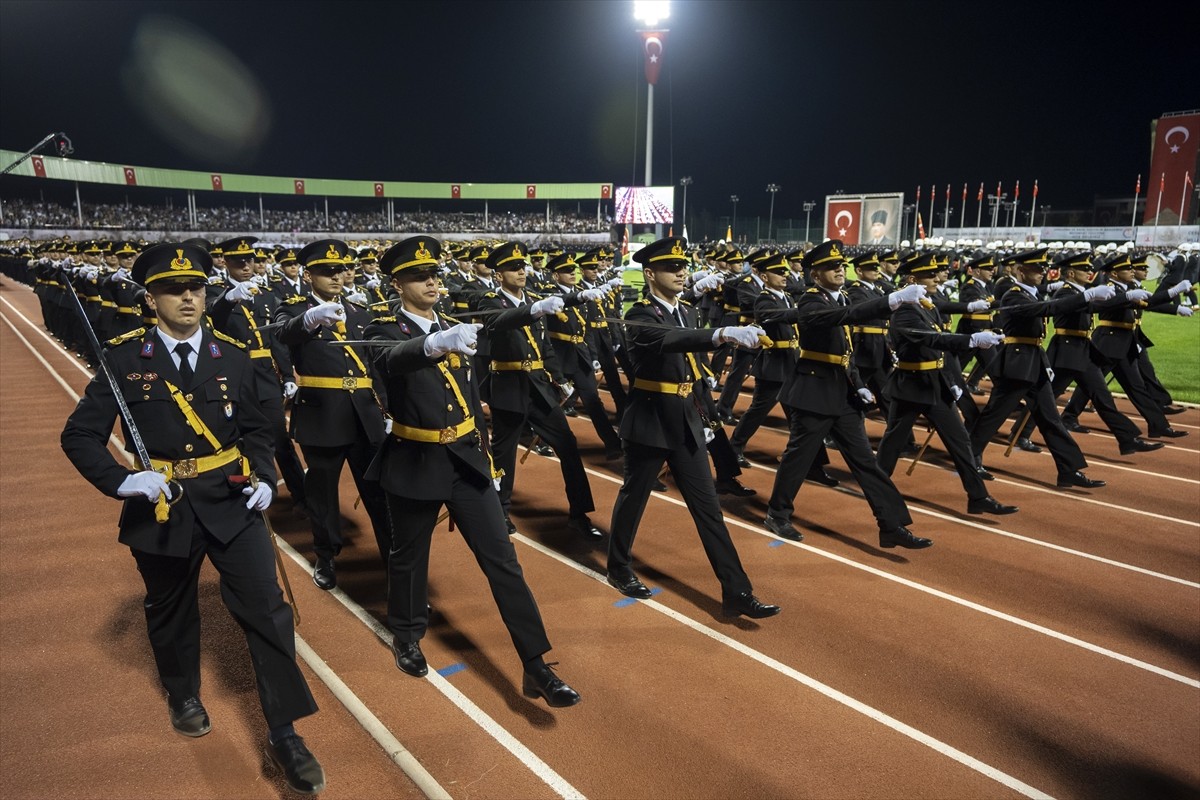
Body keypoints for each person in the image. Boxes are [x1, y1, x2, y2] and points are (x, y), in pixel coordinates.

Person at [60, 242, 324, 795]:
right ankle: (183, 691)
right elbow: (79, 434)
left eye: (197, 287)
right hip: (165, 502)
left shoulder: (232, 354)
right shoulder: (125, 357)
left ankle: (285, 730)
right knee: (171, 608)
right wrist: (122, 479)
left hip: (231, 498)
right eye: (173, 289)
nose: (187, 297)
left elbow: (260, 422)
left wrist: (261, 471)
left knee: (267, 609)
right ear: (151, 296)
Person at [363, 236, 581, 707]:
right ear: (397, 282)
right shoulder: (384, 326)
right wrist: (433, 343)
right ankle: (406, 633)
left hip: (464, 460)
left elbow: (497, 323)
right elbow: (388, 358)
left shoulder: (454, 323)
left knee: (503, 561)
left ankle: (536, 664)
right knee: (409, 557)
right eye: (421, 276)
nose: (432, 281)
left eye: (435, 273)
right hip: (415, 461)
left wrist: (531, 310)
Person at [606, 236, 781, 619]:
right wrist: (722, 334)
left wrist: (706, 417)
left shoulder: (685, 311)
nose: (681, 271)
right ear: (650, 273)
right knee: (634, 498)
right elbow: (670, 341)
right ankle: (618, 566)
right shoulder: (639, 314)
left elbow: (692, 366)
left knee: (709, 510)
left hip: (685, 421)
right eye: (671, 267)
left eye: (682, 266)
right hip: (650, 422)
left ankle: (737, 591)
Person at [762, 239, 933, 548]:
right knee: (798, 460)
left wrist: (860, 383)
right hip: (813, 393)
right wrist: (890, 301)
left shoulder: (839, 299)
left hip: (842, 392)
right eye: (831, 267)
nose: (839, 270)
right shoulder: (811, 301)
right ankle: (778, 513)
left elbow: (846, 353)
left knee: (866, 461)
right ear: (816, 275)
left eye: (841, 265)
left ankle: (891, 524)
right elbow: (841, 319)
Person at [273, 239, 392, 590]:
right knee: (322, 496)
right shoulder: (295, 308)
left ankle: (394, 563)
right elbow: (282, 332)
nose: (337, 276)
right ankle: (325, 555)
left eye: (341, 270)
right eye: (327, 271)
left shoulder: (358, 311)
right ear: (308, 275)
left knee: (380, 494)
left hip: (365, 416)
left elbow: (374, 366)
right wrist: (311, 318)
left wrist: (387, 409)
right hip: (322, 416)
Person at [873, 252, 1018, 515]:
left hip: (934, 384)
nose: (935, 279)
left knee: (959, 441)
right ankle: (876, 488)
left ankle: (978, 497)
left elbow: (939, 352)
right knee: (892, 444)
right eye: (929, 276)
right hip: (911, 386)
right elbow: (934, 341)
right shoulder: (905, 311)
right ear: (912, 279)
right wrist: (972, 340)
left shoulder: (927, 305)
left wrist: (950, 380)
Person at [477, 241, 603, 538]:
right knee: (504, 453)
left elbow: (545, 347)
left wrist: (560, 380)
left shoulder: (533, 299)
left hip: (539, 388)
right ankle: (500, 511)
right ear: (498, 274)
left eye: (522, 266)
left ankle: (580, 511)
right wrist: (533, 309)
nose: (521, 271)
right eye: (512, 268)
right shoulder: (489, 302)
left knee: (568, 446)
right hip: (508, 387)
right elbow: (500, 321)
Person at [966, 248, 1113, 488]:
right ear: (1022, 270)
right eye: (1036, 268)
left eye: (1043, 268)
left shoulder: (1033, 293)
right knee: (993, 417)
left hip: (1033, 362)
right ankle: (970, 460)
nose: (1042, 272)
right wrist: (1086, 296)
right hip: (1015, 363)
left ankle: (1068, 469)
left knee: (1051, 419)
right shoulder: (1014, 295)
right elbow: (1045, 310)